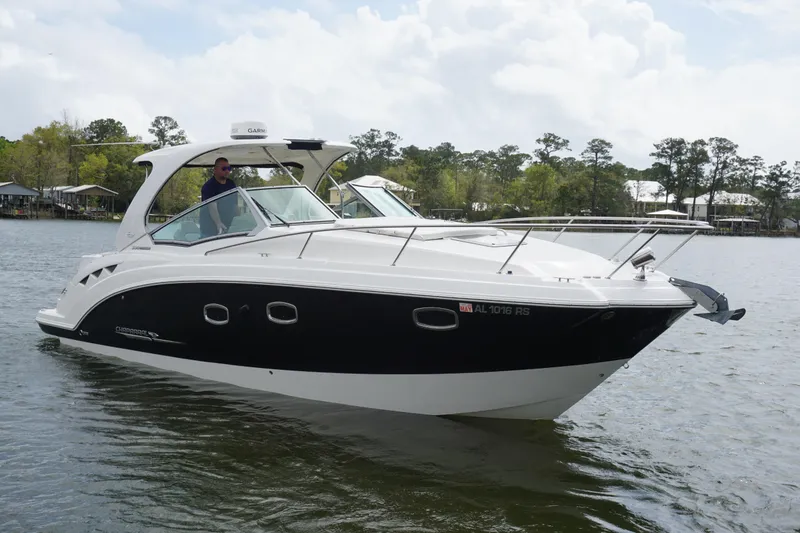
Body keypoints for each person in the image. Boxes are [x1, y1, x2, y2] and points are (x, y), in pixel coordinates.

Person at [199, 157, 237, 237]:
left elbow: (235, 205)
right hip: (209, 230)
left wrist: (238, 221)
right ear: (215, 170)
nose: (227, 171)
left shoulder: (231, 184)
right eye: (224, 168)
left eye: (228, 168)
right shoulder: (208, 186)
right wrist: (218, 223)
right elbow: (212, 207)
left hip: (228, 228)